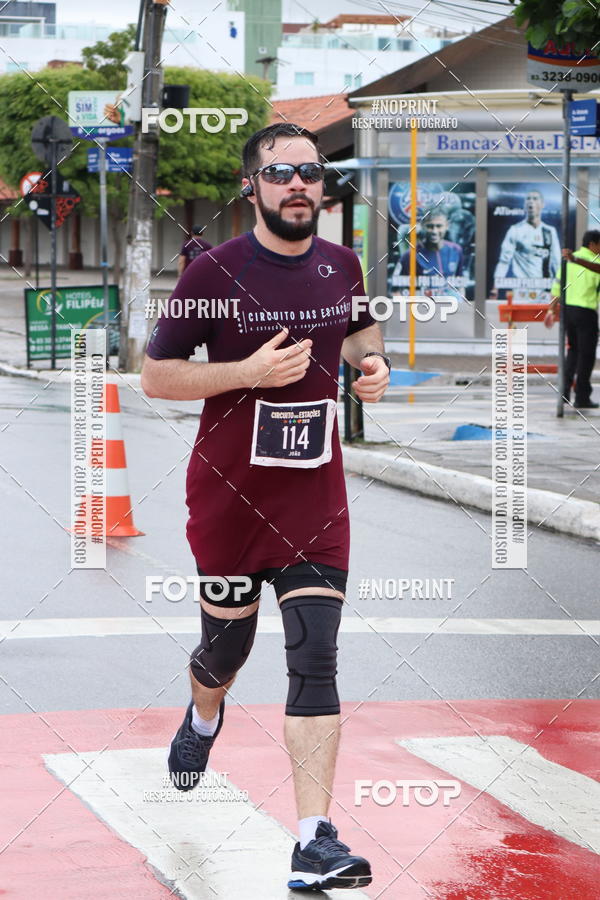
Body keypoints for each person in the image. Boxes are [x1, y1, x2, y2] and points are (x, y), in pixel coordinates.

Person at [141, 122, 390, 891]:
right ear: (252, 186)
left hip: (315, 493)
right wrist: (246, 370)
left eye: (311, 173)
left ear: (323, 186)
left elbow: (360, 333)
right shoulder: (212, 272)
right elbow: (156, 377)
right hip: (229, 497)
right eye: (281, 172)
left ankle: (313, 842)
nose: (298, 185)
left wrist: (373, 365)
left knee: (315, 656)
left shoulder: (343, 264)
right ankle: (203, 716)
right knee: (225, 653)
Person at [547, 230, 600, 408]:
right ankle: (582, 397)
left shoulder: (567, 261)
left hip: (568, 311)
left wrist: (551, 310)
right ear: (593, 244)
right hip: (586, 312)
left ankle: (564, 393)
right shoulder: (596, 260)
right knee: (587, 355)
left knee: (573, 351)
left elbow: (557, 286)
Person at [491, 189, 561, 300]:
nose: (531, 201)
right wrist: (495, 288)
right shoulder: (515, 230)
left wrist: (559, 288)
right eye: (528, 199)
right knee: (521, 317)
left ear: (542, 204)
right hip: (522, 291)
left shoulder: (549, 231)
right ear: (524, 205)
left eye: (535, 198)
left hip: (545, 290)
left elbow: (557, 263)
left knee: (544, 317)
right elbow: (504, 261)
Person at [398, 209, 463, 284]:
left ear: (447, 226)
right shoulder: (409, 256)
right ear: (422, 226)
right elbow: (396, 290)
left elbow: (460, 285)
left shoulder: (456, 250)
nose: (434, 231)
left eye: (439, 226)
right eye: (429, 226)